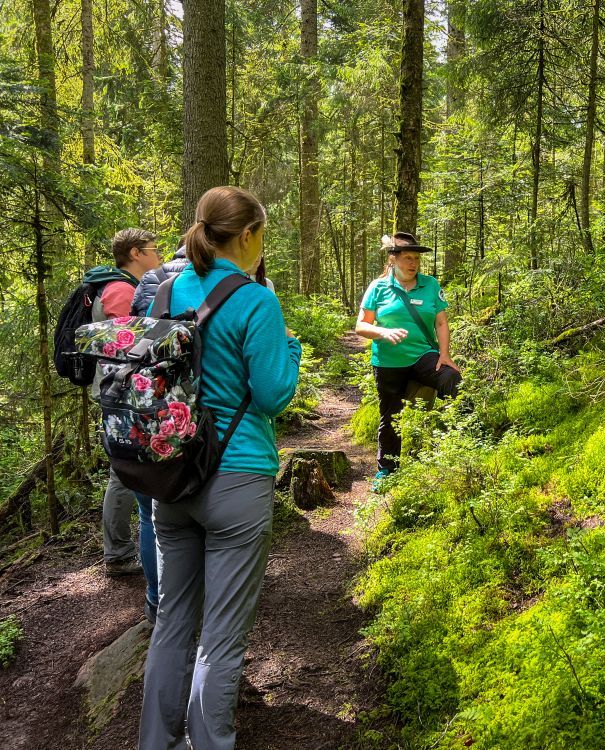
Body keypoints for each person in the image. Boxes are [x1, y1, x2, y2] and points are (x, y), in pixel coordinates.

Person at [139, 186, 301, 749]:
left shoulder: (165, 290)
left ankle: (156, 742)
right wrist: (291, 348)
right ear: (250, 235)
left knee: (173, 623)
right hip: (236, 478)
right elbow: (275, 394)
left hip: (170, 476)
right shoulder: (256, 300)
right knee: (221, 638)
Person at [355, 232, 461, 487]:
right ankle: (387, 471)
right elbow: (360, 326)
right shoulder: (378, 287)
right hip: (388, 362)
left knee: (453, 381)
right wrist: (383, 332)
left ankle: (459, 447)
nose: (413, 263)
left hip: (423, 355)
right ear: (393, 260)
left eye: (416, 258)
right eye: (407, 258)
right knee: (390, 415)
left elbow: (441, 321)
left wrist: (445, 354)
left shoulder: (430, 285)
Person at [96, 229, 162, 588]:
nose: (159, 256)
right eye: (153, 250)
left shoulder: (118, 286)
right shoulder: (123, 290)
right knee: (123, 472)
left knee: (122, 472)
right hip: (123, 394)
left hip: (119, 391)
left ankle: (119, 550)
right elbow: (129, 346)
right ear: (136, 253)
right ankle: (118, 553)